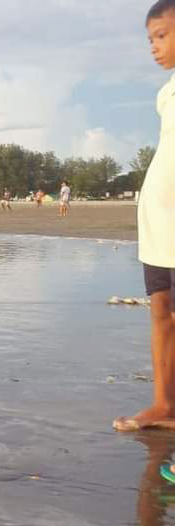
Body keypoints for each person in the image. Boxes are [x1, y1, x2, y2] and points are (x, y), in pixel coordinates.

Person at [115, 0, 175, 432]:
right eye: (151, 39)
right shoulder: (165, 93)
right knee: (160, 312)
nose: (154, 47)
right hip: (157, 216)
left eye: (163, 35)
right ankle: (163, 403)